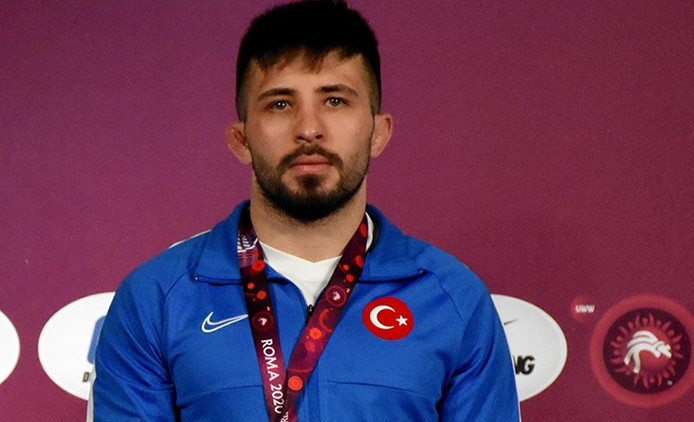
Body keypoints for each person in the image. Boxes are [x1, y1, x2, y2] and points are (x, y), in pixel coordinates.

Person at [88, 1, 520, 421]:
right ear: (241, 139)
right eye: (280, 103)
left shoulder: (452, 298)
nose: (309, 129)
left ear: (378, 132)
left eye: (335, 101)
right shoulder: (157, 298)